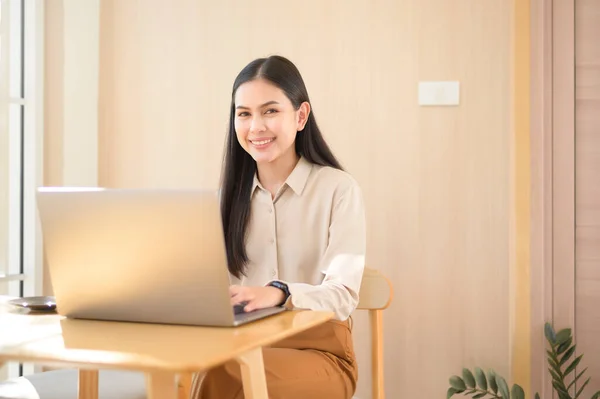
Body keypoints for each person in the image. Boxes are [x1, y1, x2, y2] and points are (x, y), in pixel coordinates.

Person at [192, 55, 366, 399]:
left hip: (322, 353)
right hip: (241, 345)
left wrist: (280, 292)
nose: (256, 126)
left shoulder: (338, 190)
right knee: (207, 370)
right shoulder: (222, 201)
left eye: (270, 111)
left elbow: (344, 294)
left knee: (225, 375)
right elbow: (208, 290)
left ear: (301, 116)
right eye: (244, 113)